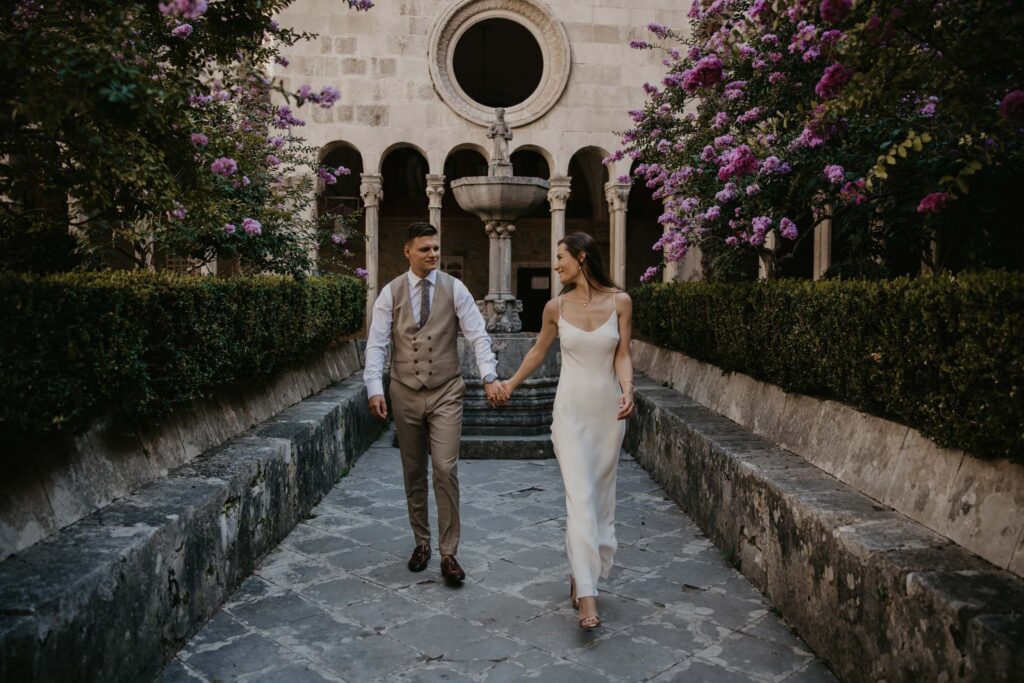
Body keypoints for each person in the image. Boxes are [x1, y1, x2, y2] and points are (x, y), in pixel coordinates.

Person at [502, 232, 635, 629]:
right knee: (579, 498)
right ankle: (588, 600)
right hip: (570, 413)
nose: (555, 265)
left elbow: (624, 354)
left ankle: (581, 574)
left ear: (581, 258)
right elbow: (538, 352)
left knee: (599, 501)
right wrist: (510, 384)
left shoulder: (620, 301)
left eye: (560, 258)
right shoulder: (554, 307)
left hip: (608, 415)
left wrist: (629, 390)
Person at [364, 222, 507, 584]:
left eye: (436, 248)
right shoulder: (390, 293)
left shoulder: (454, 288)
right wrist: (373, 387)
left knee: (444, 469)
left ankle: (449, 553)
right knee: (413, 472)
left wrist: (489, 376)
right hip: (404, 392)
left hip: (445, 390)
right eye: (425, 249)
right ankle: (421, 543)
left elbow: (477, 335)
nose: (433, 254)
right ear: (407, 251)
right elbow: (377, 342)